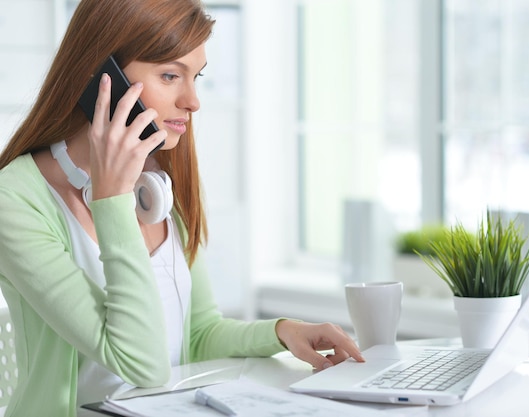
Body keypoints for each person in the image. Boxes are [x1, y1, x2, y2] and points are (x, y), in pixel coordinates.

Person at [0, 1, 363, 416]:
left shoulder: (157, 184)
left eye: (197, 77)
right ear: (105, 78)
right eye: (170, 75)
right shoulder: (14, 200)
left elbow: (198, 334)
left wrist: (281, 332)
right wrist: (111, 199)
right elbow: (144, 365)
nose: (192, 101)